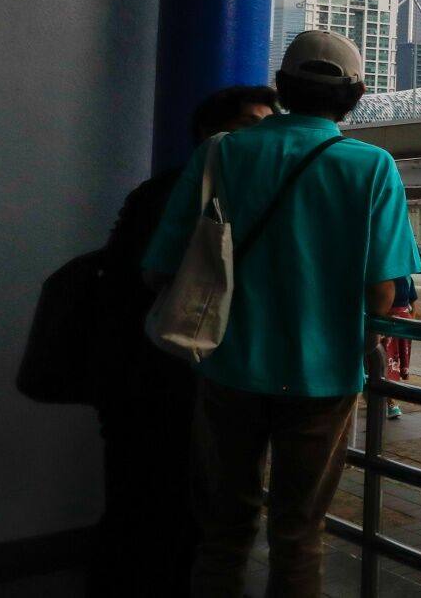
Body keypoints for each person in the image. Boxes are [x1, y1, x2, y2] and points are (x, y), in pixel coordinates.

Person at [143, 31, 421, 598]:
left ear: (283, 87)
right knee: (299, 533)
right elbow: (382, 293)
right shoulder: (371, 167)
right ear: (356, 94)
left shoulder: (220, 152)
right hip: (323, 378)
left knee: (222, 532)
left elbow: (159, 269)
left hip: (226, 366)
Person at [93, 85, 276, 596]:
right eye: (249, 126)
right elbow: (149, 278)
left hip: (157, 371)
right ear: (211, 136)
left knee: (150, 506)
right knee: (165, 508)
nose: (261, 140)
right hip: (162, 375)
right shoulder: (183, 195)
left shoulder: (157, 191)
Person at [384, 273, 418, 419]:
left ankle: (388, 399)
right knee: (386, 365)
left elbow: (413, 305)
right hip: (388, 326)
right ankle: (389, 401)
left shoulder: (406, 278)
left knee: (393, 365)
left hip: (400, 328)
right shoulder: (385, 276)